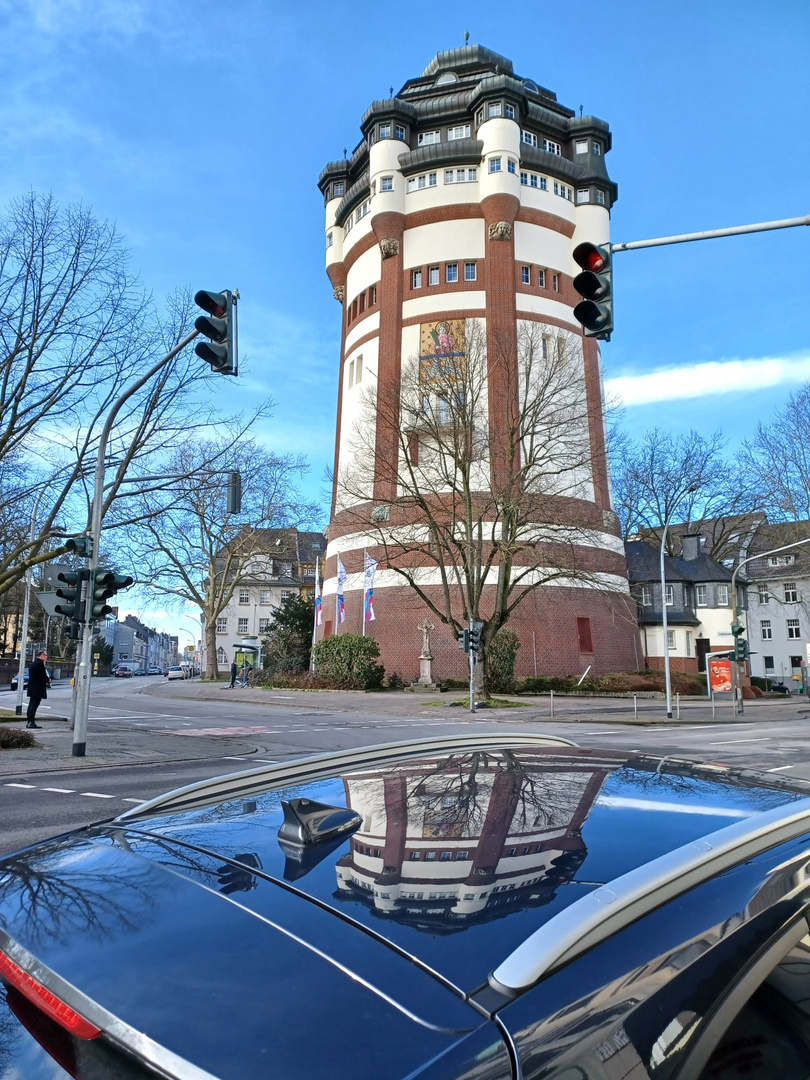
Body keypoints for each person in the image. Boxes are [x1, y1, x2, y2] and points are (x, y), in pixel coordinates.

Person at [26, 649, 50, 729]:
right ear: (42, 655)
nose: (46, 657)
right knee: (34, 705)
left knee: (31, 704)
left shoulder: (34, 663)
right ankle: (31, 722)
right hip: (37, 688)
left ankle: (29, 721)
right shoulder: (39, 664)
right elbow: (42, 675)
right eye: (45, 655)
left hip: (32, 687)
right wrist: (48, 679)